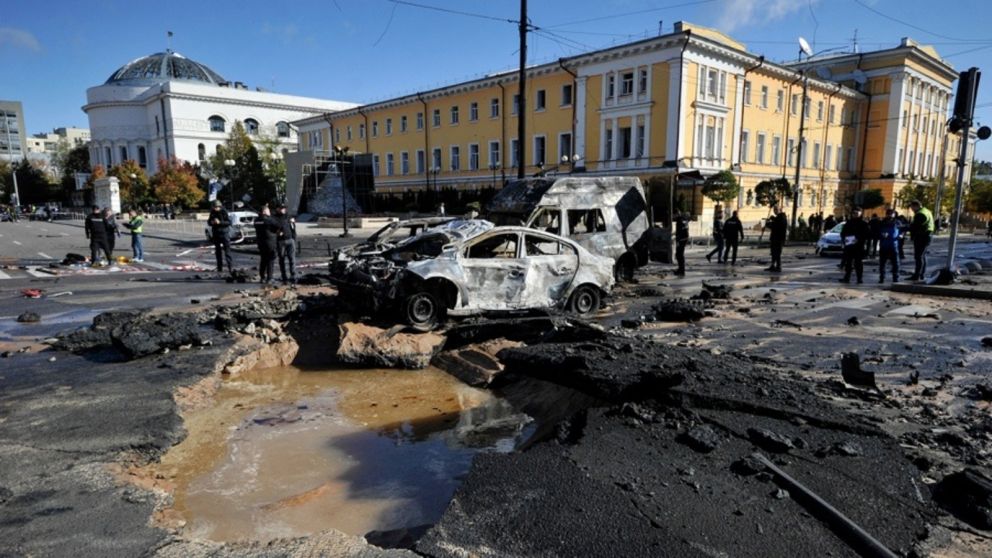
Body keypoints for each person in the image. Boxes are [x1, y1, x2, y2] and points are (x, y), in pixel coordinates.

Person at [840, 206, 870, 284]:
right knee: (848, 263)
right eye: (853, 213)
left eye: (857, 213)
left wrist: (859, 239)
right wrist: (844, 239)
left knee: (858, 263)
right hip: (849, 246)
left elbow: (867, 235)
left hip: (858, 247)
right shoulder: (849, 222)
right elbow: (843, 233)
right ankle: (847, 278)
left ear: (860, 213)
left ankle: (859, 278)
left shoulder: (863, 224)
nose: (855, 214)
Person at [908, 200, 935, 281]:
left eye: (912, 207)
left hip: (922, 237)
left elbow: (915, 226)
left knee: (919, 257)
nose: (912, 209)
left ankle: (917, 276)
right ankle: (921, 275)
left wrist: (905, 228)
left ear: (916, 206)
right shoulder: (927, 211)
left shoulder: (920, 214)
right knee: (922, 256)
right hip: (927, 236)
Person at [253, 205, 279, 284]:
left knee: (263, 260)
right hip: (270, 242)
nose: (269, 212)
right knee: (270, 260)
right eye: (268, 210)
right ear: (264, 211)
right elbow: (277, 226)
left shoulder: (256, 220)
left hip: (261, 242)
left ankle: (262, 277)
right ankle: (270, 278)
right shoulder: (269, 220)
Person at [208, 200, 234, 274]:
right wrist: (212, 222)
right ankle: (220, 268)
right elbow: (209, 221)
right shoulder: (212, 212)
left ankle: (230, 267)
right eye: (214, 207)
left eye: (217, 207)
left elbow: (229, 222)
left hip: (224, 233)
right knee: (218, 252)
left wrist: (220, 222)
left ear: (219, 206)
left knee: (227, 251)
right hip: (216, 233)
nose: (215, 209)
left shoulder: (224, 211)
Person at [275, 203, 298, 284]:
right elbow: (273, 228)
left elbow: (293, 228)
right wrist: (277, 233)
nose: (283, 209)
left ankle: (293, 275)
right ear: (277, 209)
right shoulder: (275, 218)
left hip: (290, 240)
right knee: (281, 259)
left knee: (292, 259)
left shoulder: (288, 216)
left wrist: (294, 239)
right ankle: (284, 276)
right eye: (281, 208)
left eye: (284, 208)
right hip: (281, 241)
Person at [878, 208, 901, 283]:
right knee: (882, 263)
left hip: (893, 246)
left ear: (894, 214)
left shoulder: (897, 222)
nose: (890, 215)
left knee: (895, 263)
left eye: (892, 214)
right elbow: (877, 233)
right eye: (889, 214)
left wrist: (901, 235)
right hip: (884, 246)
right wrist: (881, 235)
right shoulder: (882, 222)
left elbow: (903, 230)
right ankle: (882, 277)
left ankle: (895, 277)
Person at [765, 206, 788, 272]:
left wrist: (769, 224)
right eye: (774, 210)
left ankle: (778, 267)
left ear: (780, 210)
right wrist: (771, 221)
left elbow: (777, 226)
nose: (775, 211)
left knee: (777, 253)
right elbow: (775, 223)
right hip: (775, 238)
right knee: (773, 253)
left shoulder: (782, 217)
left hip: (778, 238)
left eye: (776, 209)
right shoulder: (778, 217)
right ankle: (773, 265)